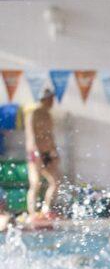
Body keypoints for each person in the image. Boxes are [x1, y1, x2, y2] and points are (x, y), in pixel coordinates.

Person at [25, 88, 62, 219]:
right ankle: (32, 213)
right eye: (51, 99)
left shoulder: (48, 115)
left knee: (56, 181)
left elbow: (50, 136)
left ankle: (47, 209)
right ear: (45, 99)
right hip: (35, 153)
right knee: (36, 183)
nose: (53, 102)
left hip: (47, 153)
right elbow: (32, 134)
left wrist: (54, 152)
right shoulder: (34, 113)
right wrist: (37, 152)